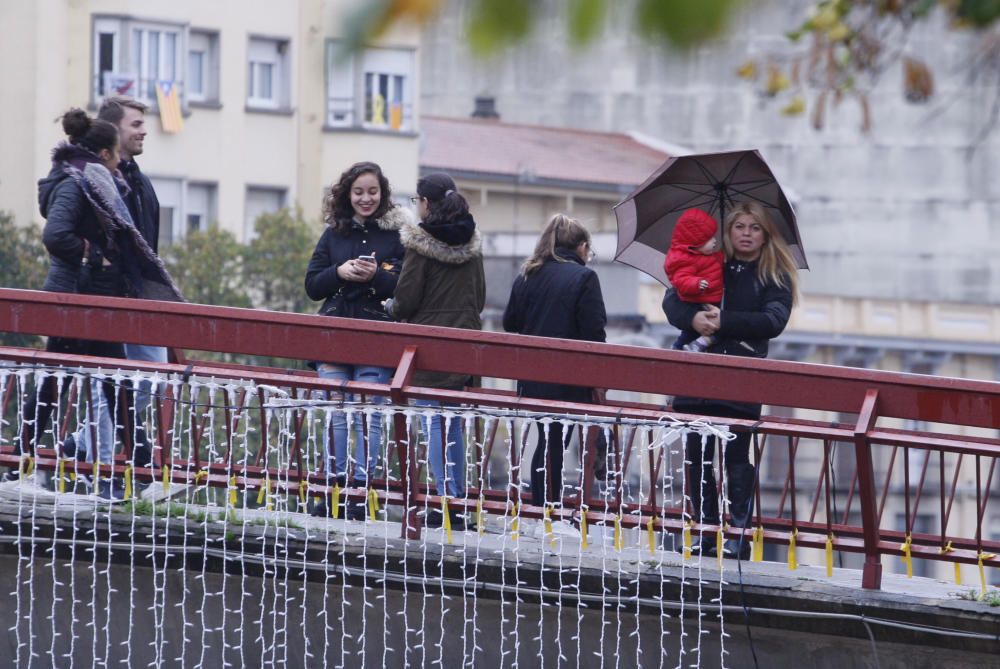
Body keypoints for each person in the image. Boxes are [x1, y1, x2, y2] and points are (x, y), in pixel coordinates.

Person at [15, 109, 182, 498]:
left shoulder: (91, 180)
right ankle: (21, 464)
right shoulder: (78, 182)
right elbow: (57, 235)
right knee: (63, 385)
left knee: (109, 383)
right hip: (77, 297)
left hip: (95, 297)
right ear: (106, 153)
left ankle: (138, 472)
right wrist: (94, 256)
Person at [662, 200, 799, 559]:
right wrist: (693, 321)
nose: (747, 234)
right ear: (730, 230)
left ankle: (739, 532)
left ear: (765, 233)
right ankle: (705, 530)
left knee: (737, 454)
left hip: (741, 373)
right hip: (698, 373)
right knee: (697, 454)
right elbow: (672, 299)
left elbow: (774, 320)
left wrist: (727, 321)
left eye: (755, 228)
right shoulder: (711, 261)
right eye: (740, 227)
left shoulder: (774, 273)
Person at [304, 161, 409, 519]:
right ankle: (333, 490)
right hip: (334, 332)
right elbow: (313, 284)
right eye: (359, 192)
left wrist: (375, 276)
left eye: (373, 191)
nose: (366, 198)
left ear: (383, 194)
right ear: (348, 195)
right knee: (334, 413)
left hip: (377, 333)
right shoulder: (334, 233)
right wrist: (340, 272)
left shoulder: (397, 235)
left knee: (369, 416)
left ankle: (362, 493)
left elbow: (405, 289)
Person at [384, 172, 485, 530]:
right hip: (463, 346)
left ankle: (444, 502)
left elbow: (406, 298)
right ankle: (456, 501)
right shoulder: (472, 245)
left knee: (433, 425)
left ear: (426, 203)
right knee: (453, 426)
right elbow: (481, 297)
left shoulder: (420, 243)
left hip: (429, 347)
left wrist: (389, 307)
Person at [502, 214, 607, 509]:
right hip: (569, 377)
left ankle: (542, 507)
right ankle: (548, 509)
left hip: (533, 376)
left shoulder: (528, 273)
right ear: (582, 246)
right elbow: (593, 331)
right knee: (557, 442)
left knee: (546, 441)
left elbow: (510, 322)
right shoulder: (585, 277)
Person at [96, 96, 163, 468]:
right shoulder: (97, 178)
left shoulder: (140, 180)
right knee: (106, 384)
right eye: (135, 124)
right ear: (113, 130)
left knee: (153, 378)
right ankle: (100, 469)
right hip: (106, 296)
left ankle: (79, 448)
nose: (144, 131)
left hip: (141, 298)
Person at [663, 208, 724, 352]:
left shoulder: (704, 256)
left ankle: (696, 343)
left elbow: (716, 263)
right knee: (692, 333)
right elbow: (682, 280)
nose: (715, 241)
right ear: (696, 243)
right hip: (701, 301)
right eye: (709, 238)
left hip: (711, 300)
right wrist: (696, 284)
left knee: (715, 328)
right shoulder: (684, 260)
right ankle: (678, 348)